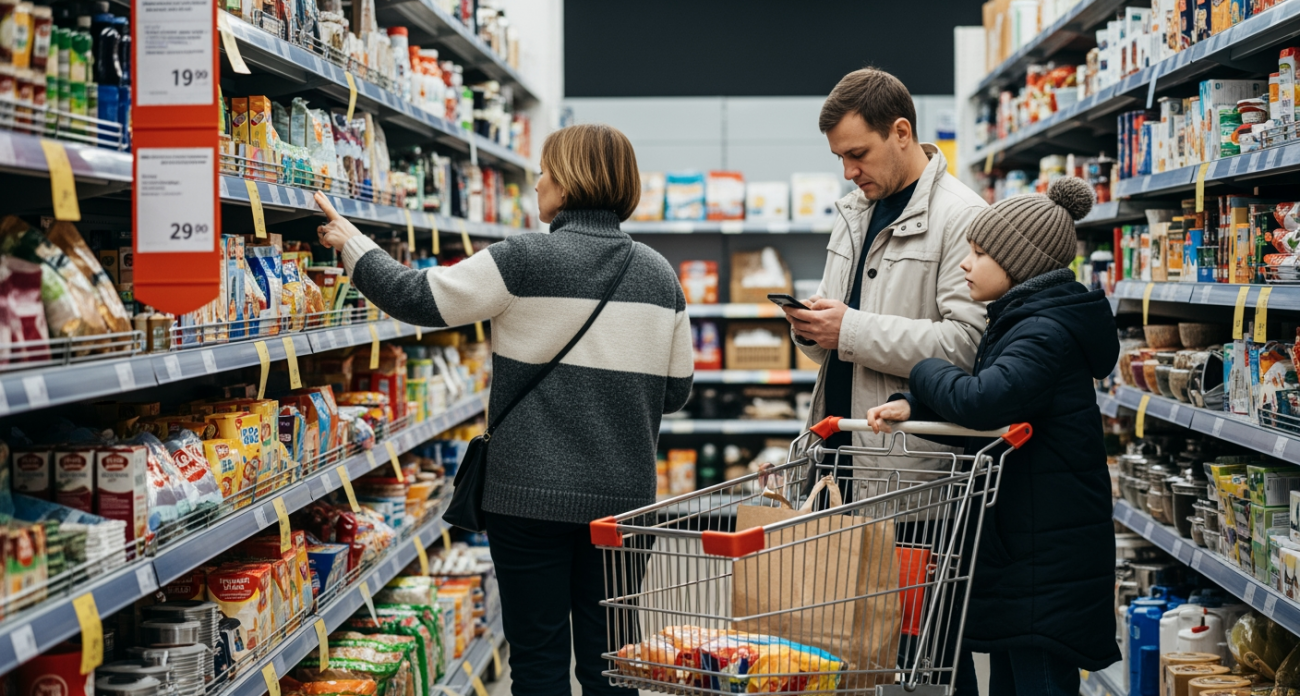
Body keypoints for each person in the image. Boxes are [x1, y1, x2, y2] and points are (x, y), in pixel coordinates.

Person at [314, 123, 695, 696]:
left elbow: (419, 297)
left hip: (527, 496)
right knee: (611, 661)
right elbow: (675, 391)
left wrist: (350, 241)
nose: (537, 182)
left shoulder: (522, 259)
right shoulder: (660, 276)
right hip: (623, 503)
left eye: (544, 170)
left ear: (567, 182)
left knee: (539, 661)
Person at [865, 177, 1122, 695]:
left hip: (1043, 556)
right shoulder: (1025, 320)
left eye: (979, 253)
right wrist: (915, 405)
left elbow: (984, 402)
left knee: (1039, 679)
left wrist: (922, 370)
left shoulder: (1042, 331)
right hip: (1029, 546)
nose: (965, 264)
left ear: (1020, 263)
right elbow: (1001, 400)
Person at [780, 67, 988, 494]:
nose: (848, 172)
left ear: (901, 131)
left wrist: (848, 329)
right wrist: (811, 327)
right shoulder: (854, 212)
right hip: (834, 458)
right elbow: (840, 338)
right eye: (840, 158)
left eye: (858, 154)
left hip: (904, 471)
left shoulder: (961, 216)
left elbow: (969, 346)